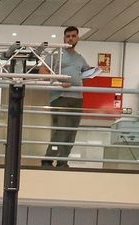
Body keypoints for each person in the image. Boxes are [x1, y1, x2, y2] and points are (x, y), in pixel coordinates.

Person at [40, 25, 90, 167]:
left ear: (77, 38)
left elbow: (86, 73)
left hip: (77, 98)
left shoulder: (80, 58)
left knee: (71, 133)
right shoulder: (56, 54)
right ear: (64, 38)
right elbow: (42, 71)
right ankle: (48, 160)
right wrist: (58, 81)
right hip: (60, 97)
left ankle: (63, 161)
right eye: (68, 36)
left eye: (73, 36)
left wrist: (92, 72)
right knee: (61, 131)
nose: (70, 38)